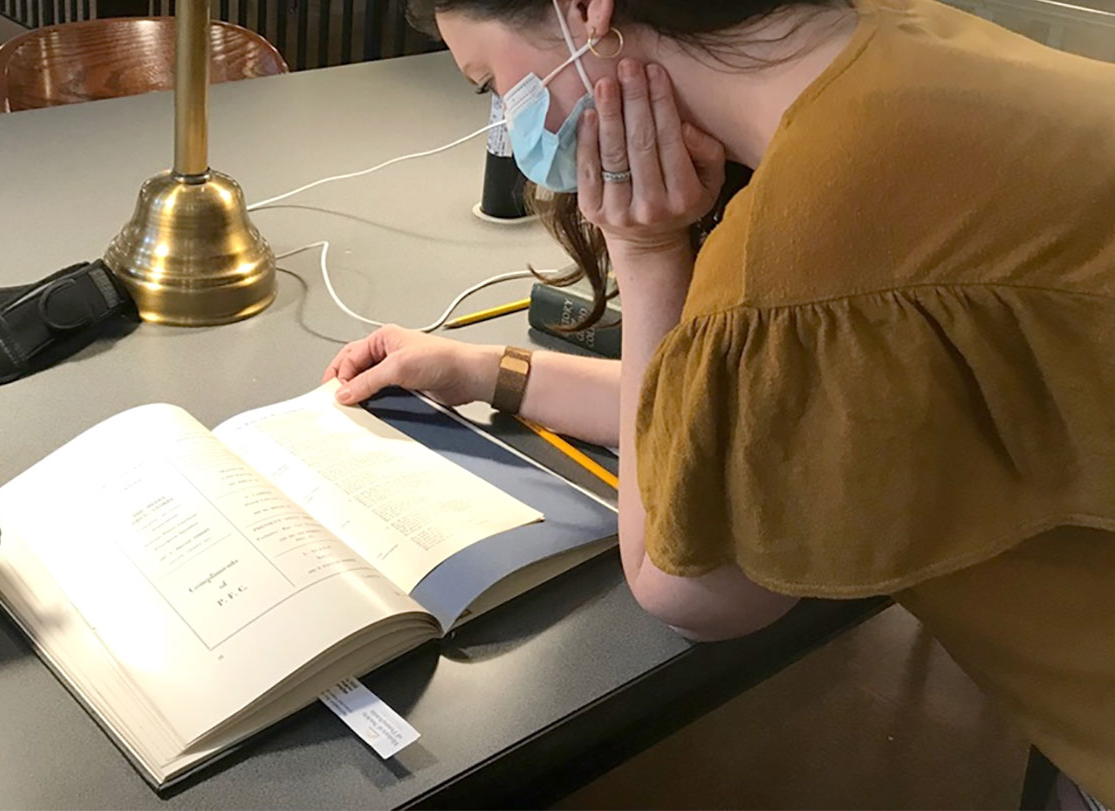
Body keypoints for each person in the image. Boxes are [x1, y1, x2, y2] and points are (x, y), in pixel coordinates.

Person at [322, 0, 1115, 802]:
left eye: (493, 83)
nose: (510, 123)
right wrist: (488, 371)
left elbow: (682, 575)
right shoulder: (894, 38)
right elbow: (730, 414)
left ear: (584, 12)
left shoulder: (809, 238)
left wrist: (645, 255)